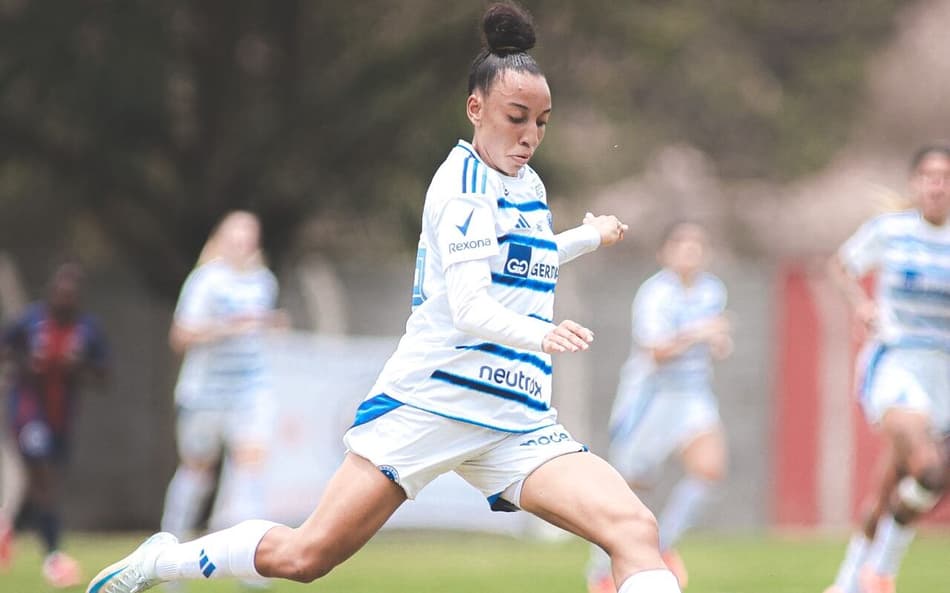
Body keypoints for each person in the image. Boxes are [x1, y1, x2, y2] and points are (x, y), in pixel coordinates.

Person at [86, 4, 683, 593]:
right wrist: (541, 334)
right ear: (476, 109)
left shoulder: (525, 182)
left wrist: (588, 235)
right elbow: (472, 306)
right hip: (433, 403)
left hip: (513, 419)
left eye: (542, 122)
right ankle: (164, 562)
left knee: (633, 527)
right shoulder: (462, 187)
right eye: (516, 117)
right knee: (306, 555)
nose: (529, 136)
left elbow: (524, 256)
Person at [824, 144, 950, 593]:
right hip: (896, 362)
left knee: (895, 487)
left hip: (945, 374)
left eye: (946, 176)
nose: (937, 185)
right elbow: (841, 267)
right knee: (928, 470)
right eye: (929, 175)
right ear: (916, 183)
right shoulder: (891, 230)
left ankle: (847, 584)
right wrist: (860, 305)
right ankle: (881, 573)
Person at [587, 222, 732, 592]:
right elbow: (656, 352)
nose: (690, 251)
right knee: (631, 490)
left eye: (697, 244)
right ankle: (601, 572)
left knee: (710, 470)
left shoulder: (713, 290)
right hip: (649, 399)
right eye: (682, 244)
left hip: (692, 395)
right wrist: (699, 333)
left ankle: (661, 546)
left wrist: (719, 342)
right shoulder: (655, 294)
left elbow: (716, 337)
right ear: (665, 253)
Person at [159, 210, 284, 587]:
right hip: (205, 396)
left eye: (249, 236)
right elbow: (181, 336)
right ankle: (167, 551)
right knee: (197, 473)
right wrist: (227, 328)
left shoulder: (264, 282)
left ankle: (251, 564)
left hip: (250, 392)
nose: (243, 244)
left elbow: (260, 331)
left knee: (250, 469)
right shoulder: (206, 281)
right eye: (236, 236)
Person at [1, 261, 109, 587]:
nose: (63, 299)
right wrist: (23, 365)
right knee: (43, 476)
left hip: (61, 416)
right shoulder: (31, 321)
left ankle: (8, 530)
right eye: (59, 293)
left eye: (70, 295)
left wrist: (79, 368)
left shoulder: (87, 329)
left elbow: (104, 375)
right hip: (27, 412)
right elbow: (5, 348)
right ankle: (54, 557)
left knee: (42, 485)